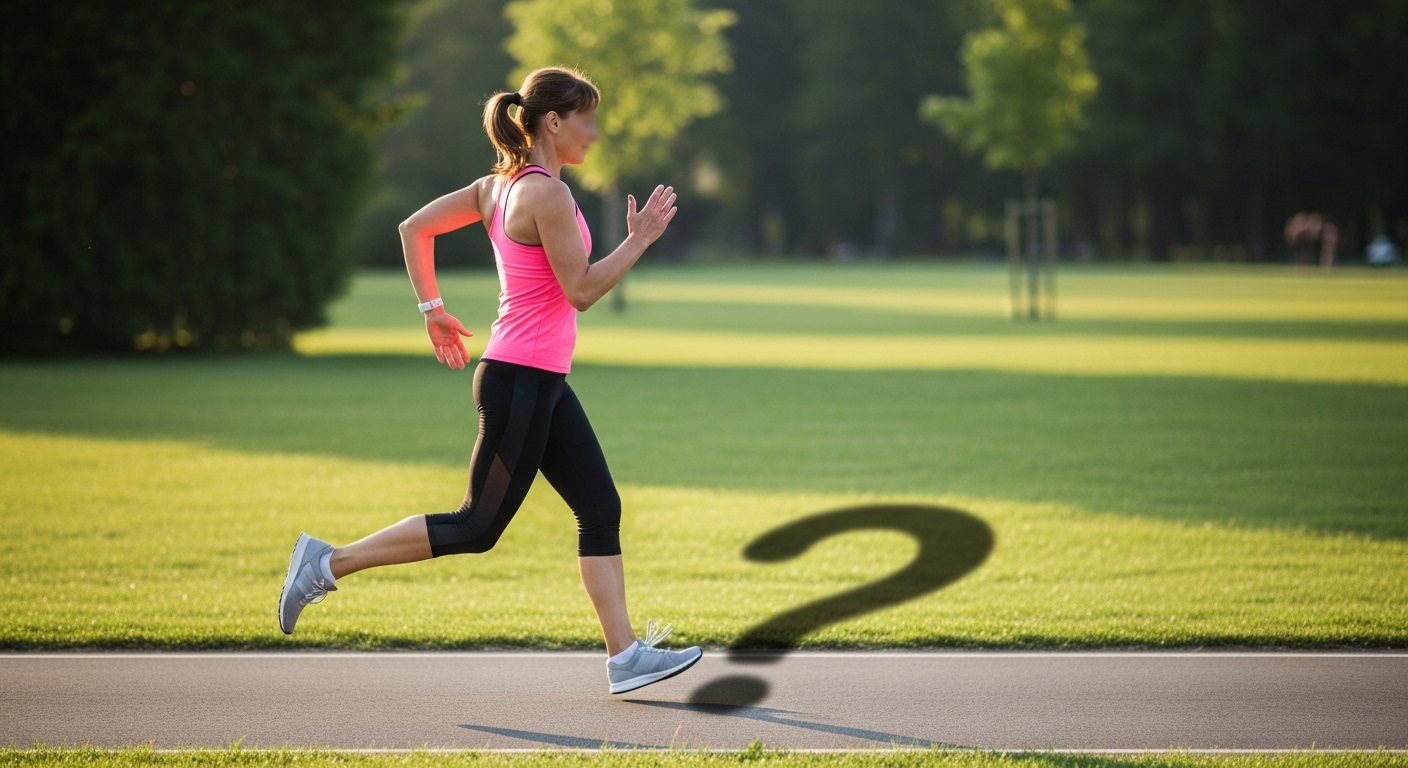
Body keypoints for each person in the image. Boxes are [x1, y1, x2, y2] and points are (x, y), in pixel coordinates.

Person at [276, 66, 701, 695]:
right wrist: (637, 242)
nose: (595, 131)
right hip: (521, 380)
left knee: (599, 507)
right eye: (587, 118)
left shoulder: (497, 187)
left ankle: (626, 656)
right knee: (476, 526)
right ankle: (326, 561)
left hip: (539, 379)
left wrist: (432, 310)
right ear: (553, 122)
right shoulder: (544, 194)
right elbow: (581, 290)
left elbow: (412, 228)